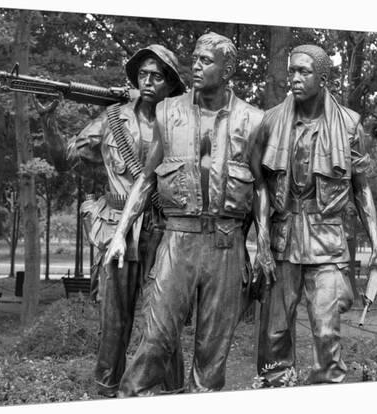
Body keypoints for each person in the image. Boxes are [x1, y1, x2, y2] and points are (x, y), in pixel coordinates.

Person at [105, 32, 271, 396]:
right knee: (156, 339)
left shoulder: (254, 120)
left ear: (227, 70)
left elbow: (260, 186)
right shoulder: (168, 111)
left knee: (212, 359)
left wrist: (264, 249)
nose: (195, 66)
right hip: (177, 239)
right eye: (194, 58)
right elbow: (147, 179)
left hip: (227, 246)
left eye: (205, 60)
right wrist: (120, 233)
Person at [250, 44, 377, 385]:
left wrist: (376, 247)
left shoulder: (349, 125)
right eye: (292, 71)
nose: (294, 79)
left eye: (304, 72)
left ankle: (327, 393)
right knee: (274, 333)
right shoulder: (269, 121)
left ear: (324, 78)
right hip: (283, 238)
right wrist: (263, 247)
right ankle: (274, 388)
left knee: (326, 331)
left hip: (327, 239)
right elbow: (260, 186)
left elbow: (361, 189)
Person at [69, 44, 187, 397]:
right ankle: (105, 390)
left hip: (162, 229)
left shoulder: (179, 123)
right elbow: (67, 155)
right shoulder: (112, 119)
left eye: (157, 76)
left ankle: (171, 391)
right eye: (143, 75)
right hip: (117, 226)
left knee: (164, 319)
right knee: (114, 320)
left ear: (170, 84)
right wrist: (47, 122)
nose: (148, 81)